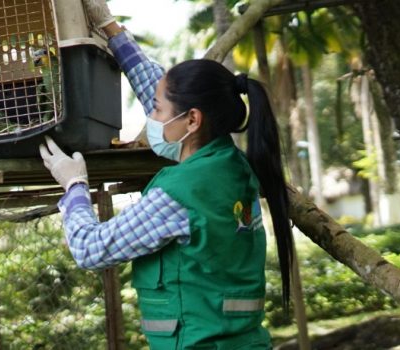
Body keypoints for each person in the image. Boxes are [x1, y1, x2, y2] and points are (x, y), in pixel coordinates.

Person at [39, 1, 294, 348]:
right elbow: (160, 93)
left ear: (192, 120)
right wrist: (111, 29)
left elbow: (90, 248)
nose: (151, 118)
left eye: (157, 110)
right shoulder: (232, 166)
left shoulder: (180, 195)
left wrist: (74, 187)